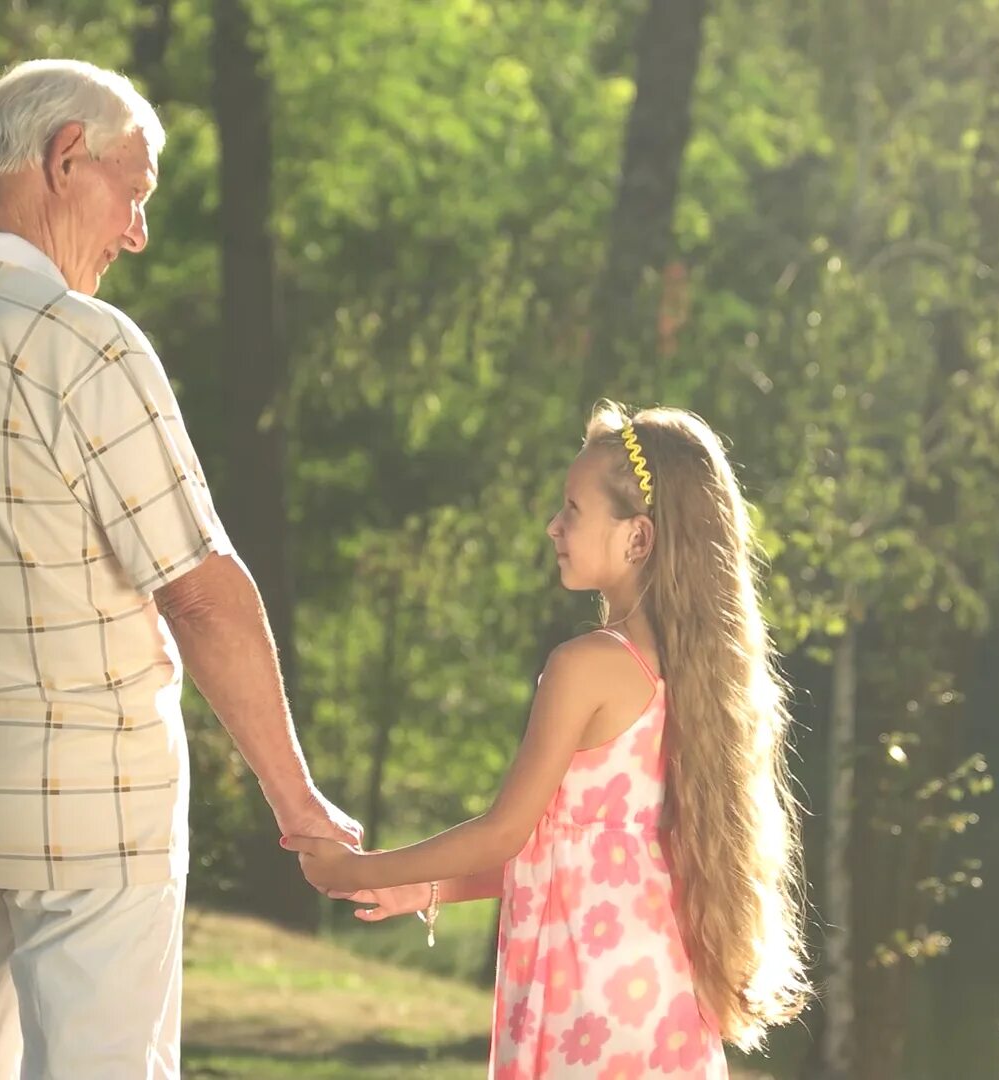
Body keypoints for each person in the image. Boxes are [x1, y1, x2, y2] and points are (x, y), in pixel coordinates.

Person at [0, 58, 358, 1078]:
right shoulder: (82, 346)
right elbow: (198, 590)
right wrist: (295, 799)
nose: (136, 233)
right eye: (131, 195)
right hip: (90, 813)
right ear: (64, 158)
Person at [288, 404, 809, 1078]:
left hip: (586, 999)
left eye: (572, 510)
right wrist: (427, 888)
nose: (553, 526)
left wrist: (354, 870)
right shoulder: (693, 678)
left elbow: (505, 832)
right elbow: (574, 855)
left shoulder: (586, 665)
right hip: (656, 994)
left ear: (638, 539)